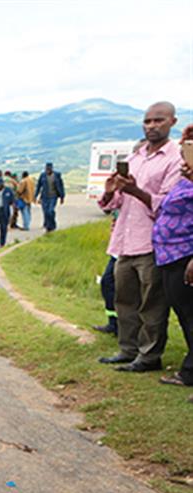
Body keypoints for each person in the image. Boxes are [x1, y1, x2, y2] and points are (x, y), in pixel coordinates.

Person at [97, 102, 182, 373]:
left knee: (152, 304)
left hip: (153, 243)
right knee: (125, 300)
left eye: (158, 120)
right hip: (124, 241)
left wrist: (134, 190)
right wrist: (111, 192)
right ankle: (128, 349)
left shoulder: (177, 158)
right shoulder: (135, 157)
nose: (152, 126)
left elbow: (169, 205)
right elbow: (112, 204)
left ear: (172, 122)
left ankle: (149, 356)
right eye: (147, 121)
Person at [151, 123, 193, 389]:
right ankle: (190, 371)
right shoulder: (186, 178)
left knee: (191, 316)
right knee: (186, 316)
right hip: (170, 257)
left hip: (186, 256)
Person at [36, 162, 65, 232]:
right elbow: (39, 186)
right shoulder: (42, 175)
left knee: (51, 211)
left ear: (52, 169)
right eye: (46, 169)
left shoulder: (57, 175)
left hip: (53, 196)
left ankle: (52, 225)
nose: (47, 170)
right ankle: (49, 227)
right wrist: (35, 195)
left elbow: (61, 186)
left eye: (49, 169)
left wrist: (62, 197)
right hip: (45, 197)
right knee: (46, 212)